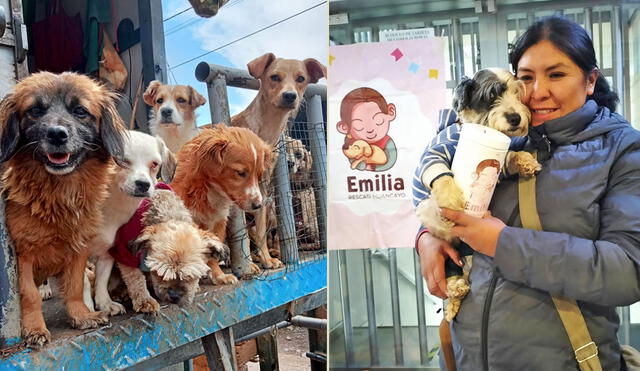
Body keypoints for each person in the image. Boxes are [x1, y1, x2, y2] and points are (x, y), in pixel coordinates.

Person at [415, 16, 640, 370]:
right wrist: (426, 238)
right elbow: (444, 188)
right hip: (471, 356)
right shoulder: (495, 138)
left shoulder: (623, 150)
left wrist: (502, 243)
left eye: (556, 74)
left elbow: (628, 272)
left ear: (591, 80)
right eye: (525, 78)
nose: (537, 93)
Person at [336, 87, 398, 171]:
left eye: (379, 120)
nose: (370, 129)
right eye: (359, 125)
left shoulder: (386, 142)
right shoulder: (351, 143)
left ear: (390, 112)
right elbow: (353, 159)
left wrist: (371, 166)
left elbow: (391, 160)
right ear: (344, 127)